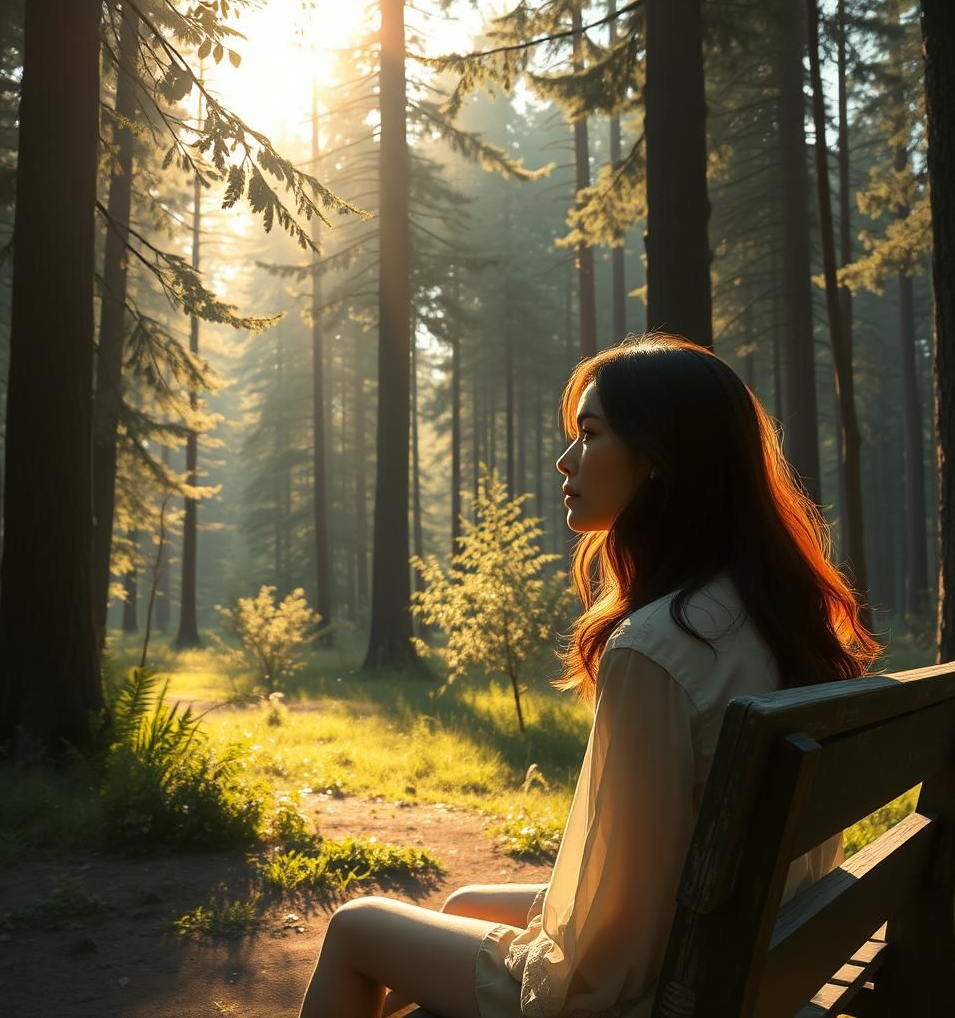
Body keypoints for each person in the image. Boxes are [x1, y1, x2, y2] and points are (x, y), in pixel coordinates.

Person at [297, 333, 881, 1018]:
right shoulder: (776, 614)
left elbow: (613, 954)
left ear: (659, 458)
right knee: (462, 904)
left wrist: (540, 972)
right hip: (759, 945)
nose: (565, 459)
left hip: (677, 988)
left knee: (356, 925)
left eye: (590, 434)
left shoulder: (658, 645)